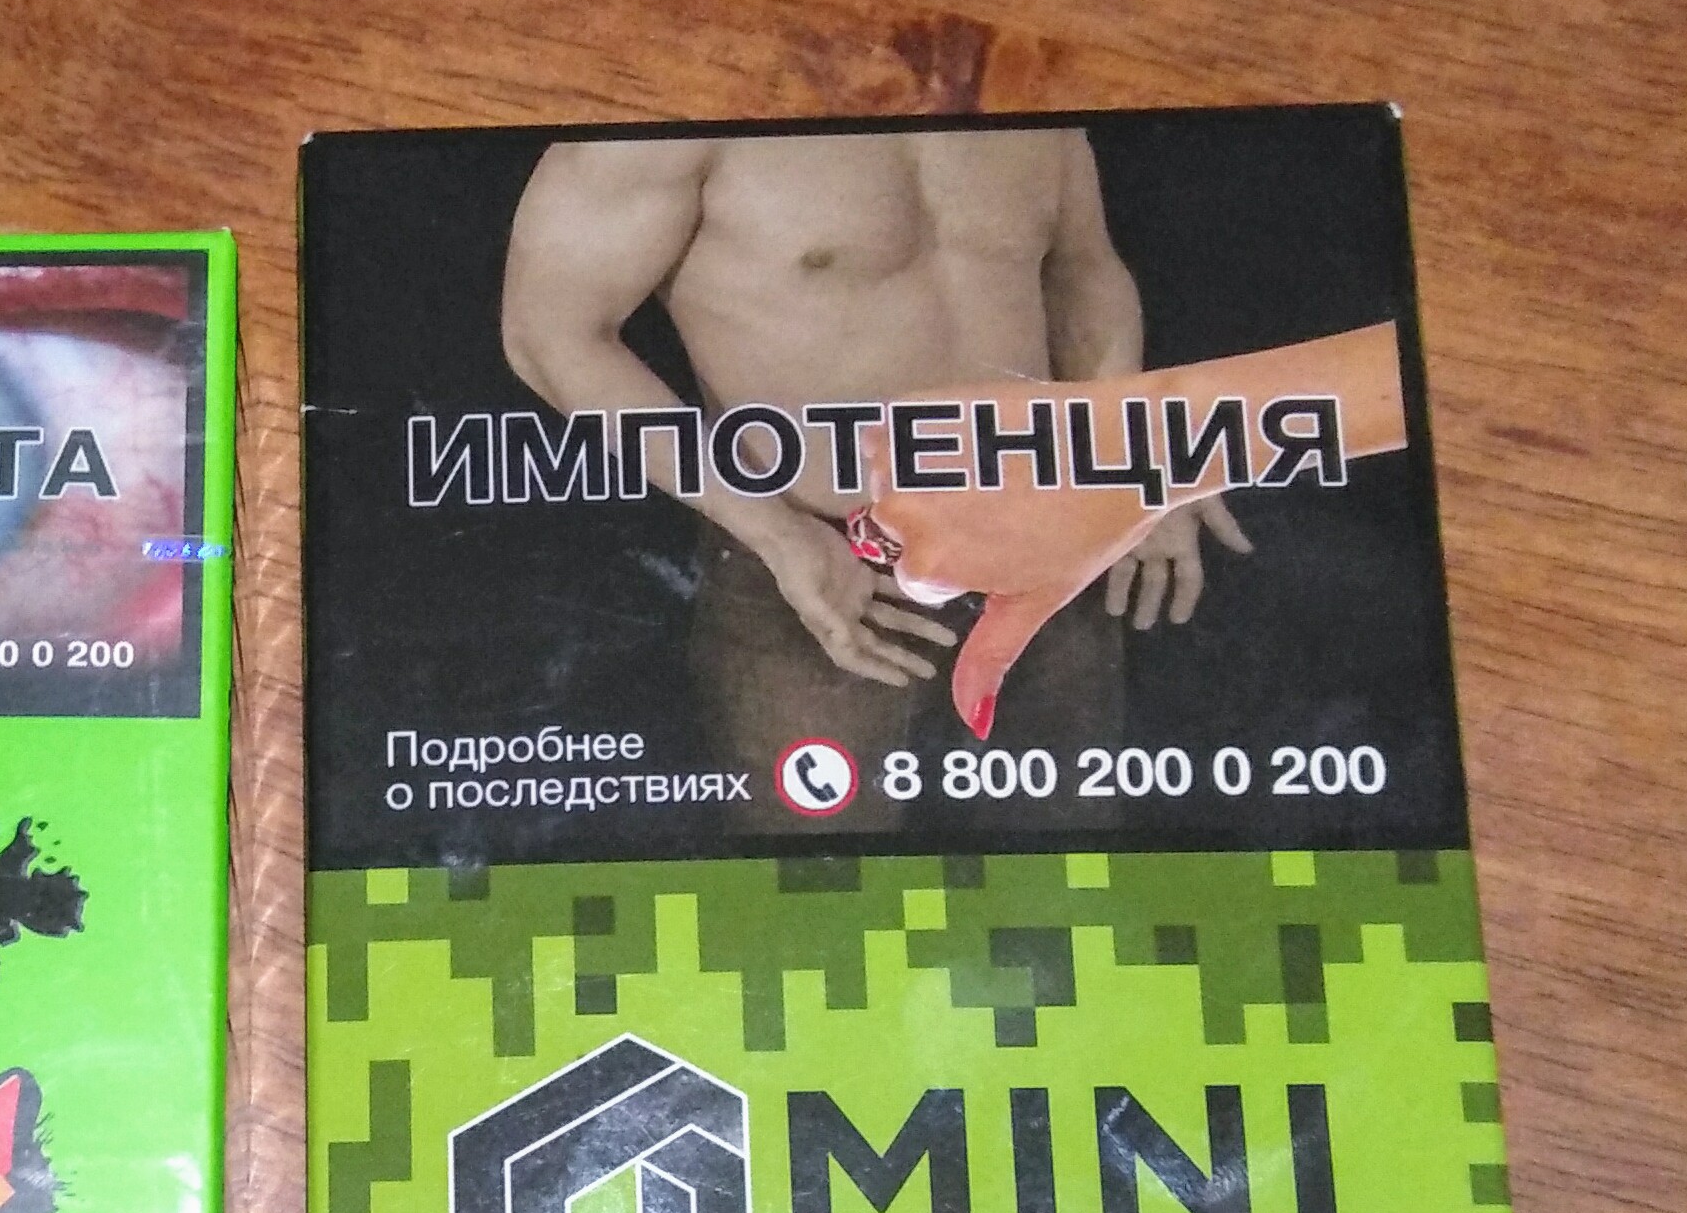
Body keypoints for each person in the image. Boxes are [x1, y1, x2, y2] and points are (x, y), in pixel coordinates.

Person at [500, 127, 1248, 817]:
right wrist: (776, 534)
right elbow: (548, 332)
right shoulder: (687, 115)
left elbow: (1082, 271)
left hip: (1046, 552)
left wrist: (1128, 459)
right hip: (820, 570)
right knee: (821, 880)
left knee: (1073, 866)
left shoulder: (1013, 91)